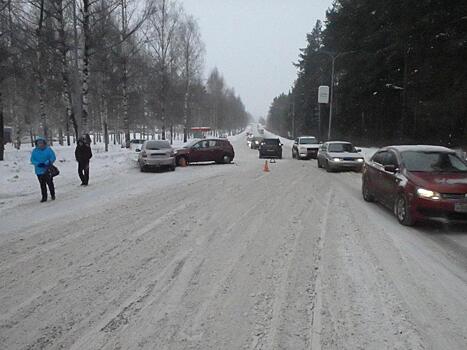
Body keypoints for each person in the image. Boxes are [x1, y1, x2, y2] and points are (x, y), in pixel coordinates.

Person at [30, 137, 56, 203]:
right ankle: (44, 197)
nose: (40, 144)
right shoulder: (34, 151)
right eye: (38, 143)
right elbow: (32, 160)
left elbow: (53, 157)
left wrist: (47, 162)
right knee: (42, 185)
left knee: (50, 183)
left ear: (44, 143)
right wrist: (38, 164)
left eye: (41, 142)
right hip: (39, 170)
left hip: (47, 169)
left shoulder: (48, 149)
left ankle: (52, 194)